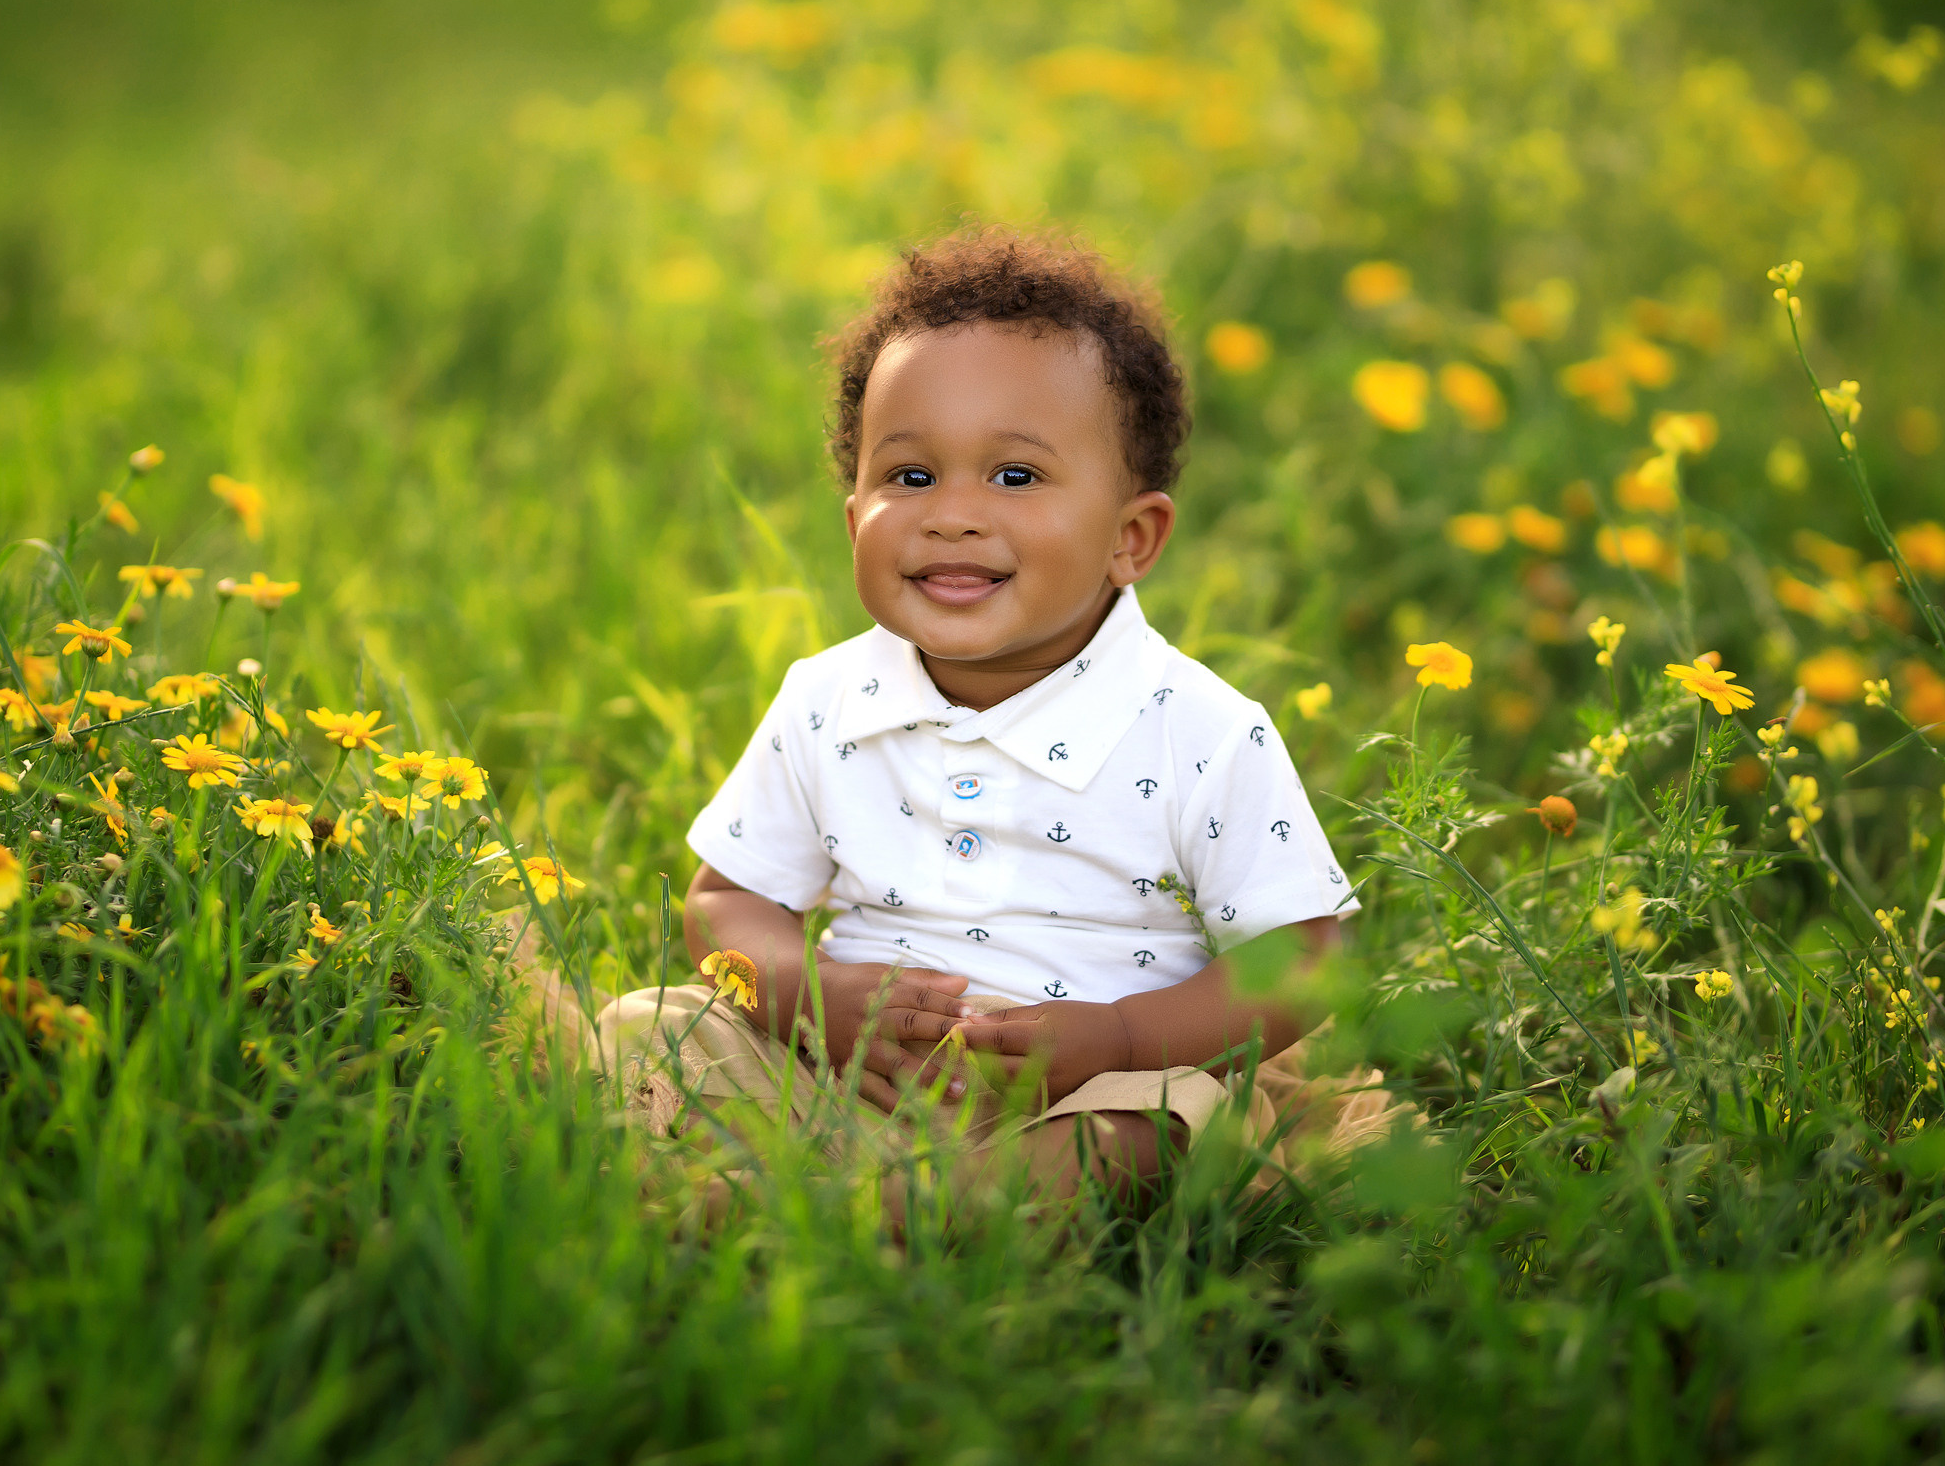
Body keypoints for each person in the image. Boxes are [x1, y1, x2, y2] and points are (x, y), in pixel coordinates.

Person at [594, 229, 1387, 1212]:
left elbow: (1303, 960)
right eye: (911, 477)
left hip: (1080, 1093)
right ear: (855, 520)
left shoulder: (1200, 730)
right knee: (650, 1027)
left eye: (1015, 477)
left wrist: (1122, 1037)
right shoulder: (827, 701)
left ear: (1129, 539)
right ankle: (862, 1194)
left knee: (1170, 1123)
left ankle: (888, 1210)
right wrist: (808, 998)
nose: (954, 515)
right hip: (848, 1077)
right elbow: (727, 902)